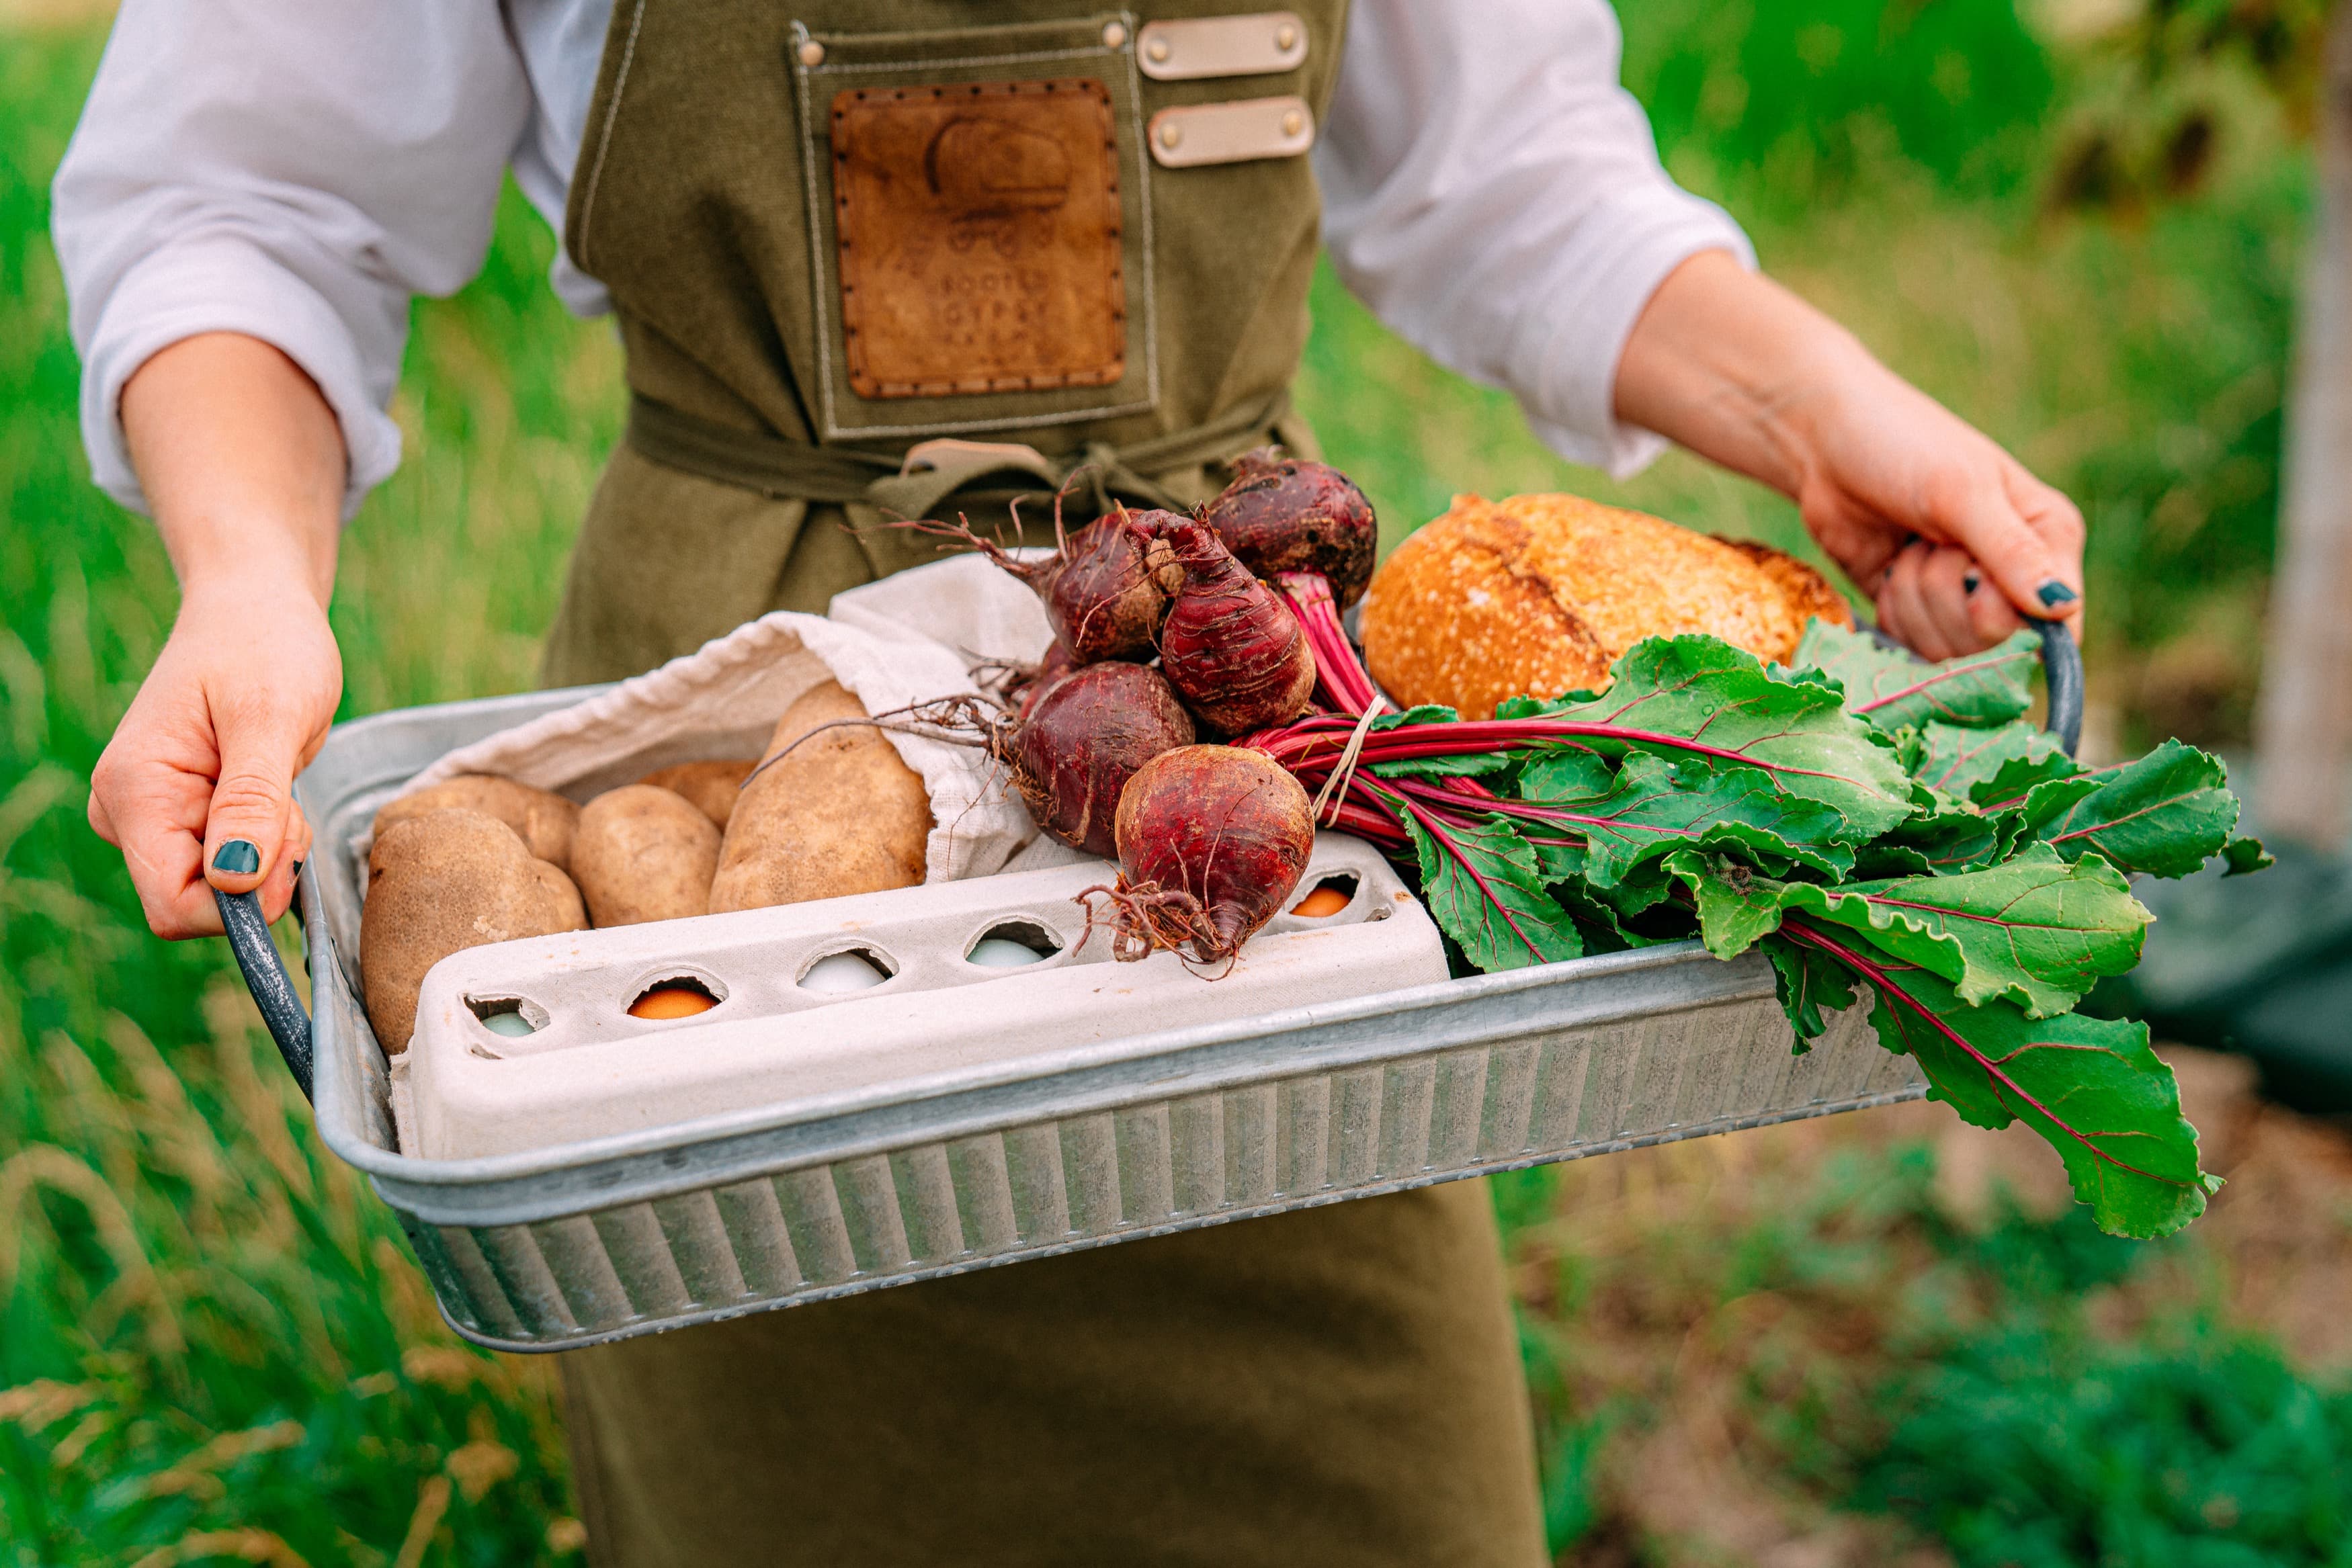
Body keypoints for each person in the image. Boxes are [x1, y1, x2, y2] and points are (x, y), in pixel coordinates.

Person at [55, 2, 2087, 1563]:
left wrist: (1816, 411)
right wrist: (248, 581)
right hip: (753, 732)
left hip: (1242, 736)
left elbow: (1513, 181)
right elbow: (246, 208)